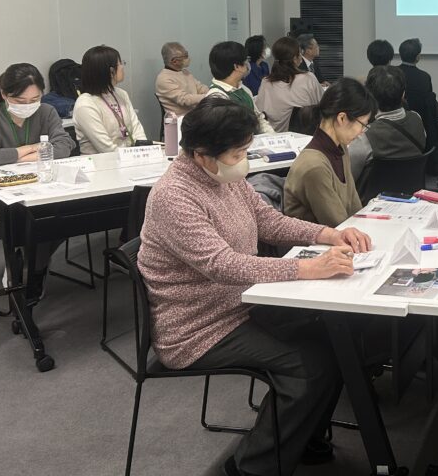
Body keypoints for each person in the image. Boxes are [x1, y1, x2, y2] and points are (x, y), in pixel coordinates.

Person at [138, 97, 372, 475]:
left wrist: (328, 234)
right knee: (309, 367)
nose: (244, 160)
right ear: (201, 155)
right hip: (198, 327)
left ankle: (302, 437)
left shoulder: (224, 177)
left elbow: (269, 221)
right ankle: (251, 467)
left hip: (241, 303)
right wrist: (307, 268)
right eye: (238, 153)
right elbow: (222, 265)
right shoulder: (174, 197)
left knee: (335, 338)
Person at [0, 64, 74, 244]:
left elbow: (64, 146)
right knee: (39, 221)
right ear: (4, 94)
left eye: (35, 99)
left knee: (65, 215)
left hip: (42, 186)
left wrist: (15, 157)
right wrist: (30, 148)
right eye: (20, 101)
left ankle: (32, 259)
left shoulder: (46, 111)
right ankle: (26, 259)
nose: (28, 106)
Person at [283, 78, 377, 227]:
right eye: (362, 125)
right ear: (342, 118)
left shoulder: (340, 147)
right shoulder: (314, 166)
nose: (362, 132)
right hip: (318, 239)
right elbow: (336, 224)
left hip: (340, 234)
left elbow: (353, 204)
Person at [349, 65, 427, 188]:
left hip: (371, 199)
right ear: (403, 94)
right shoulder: (417, 119)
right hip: (410, 195)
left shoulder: (364, 137)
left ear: (370, 97)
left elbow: (347, 179)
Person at [73, 45, 148, 154]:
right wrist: (133, 157)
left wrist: (145, 151)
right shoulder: (85, 104)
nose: (123, 67)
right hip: (102, 162)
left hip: (130, 158)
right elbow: (106, 148)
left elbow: (137, 129)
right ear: (111, 71)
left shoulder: (121, 94)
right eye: (121, 63)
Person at [398, 37, 438, 176]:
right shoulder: (424, 77)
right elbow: (429, 105)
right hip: (421, 124)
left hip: (397, 120)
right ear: (418, 57)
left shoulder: (393, 74)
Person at [205, 41, 275, 135]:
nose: (248, 64)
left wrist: (272, 136)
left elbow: (258, 118)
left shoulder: (244, 89)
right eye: (246, 60)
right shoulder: (216, 97)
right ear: (237, 66)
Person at [256, 37, 324, 131]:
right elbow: (322, 104)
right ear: (295, 58)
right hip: (302, 136)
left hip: (271, 135)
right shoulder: (308, 79)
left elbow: (259, 112)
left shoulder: (266, 82)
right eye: (300, 53)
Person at [155, 42, 209, 117]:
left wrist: (214, 92)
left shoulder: (184, 72)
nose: (187, 58)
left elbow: (199, 87)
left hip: (195, 115)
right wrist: (209, 96)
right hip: (181, 119)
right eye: (185, 56)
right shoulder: (164, 79)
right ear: (174, 61)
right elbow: (184, 99)